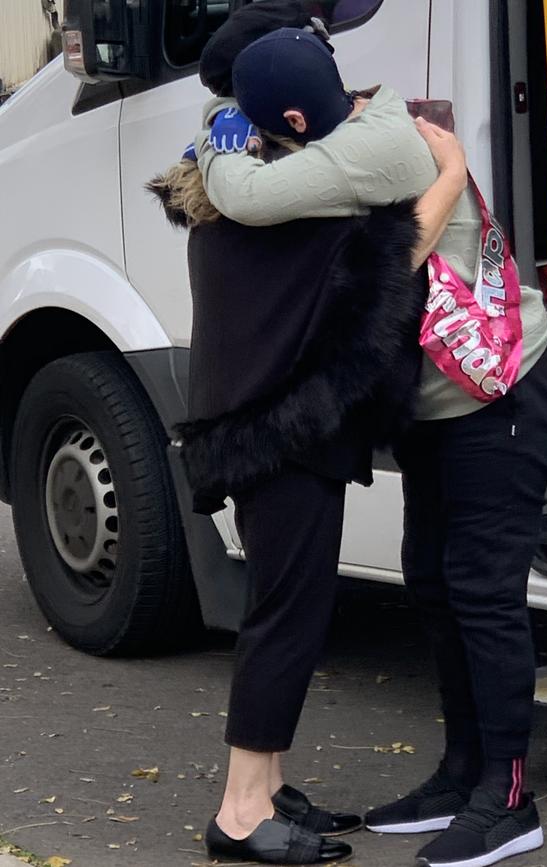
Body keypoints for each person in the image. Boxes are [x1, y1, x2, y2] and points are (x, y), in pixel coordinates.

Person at [194, 25, 547, 867]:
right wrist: (221, 117)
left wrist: (214, 143)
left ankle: (509, 799)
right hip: (442, 410)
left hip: (505, 391)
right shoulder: (352, 122)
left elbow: (248, 197)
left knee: (481, 589)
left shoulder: (383, 153)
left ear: (295, 116)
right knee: (435, 581)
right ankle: (461, 772)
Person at [149, 8, 467, 864]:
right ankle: (243, 811)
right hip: (280, 432)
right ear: (299, 120)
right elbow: (406, 245)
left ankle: (271, 782)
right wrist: (456, 165)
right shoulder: (303, 203)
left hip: (250, 426)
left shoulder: (228, 176)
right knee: (286, 613)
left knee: (281, 604)